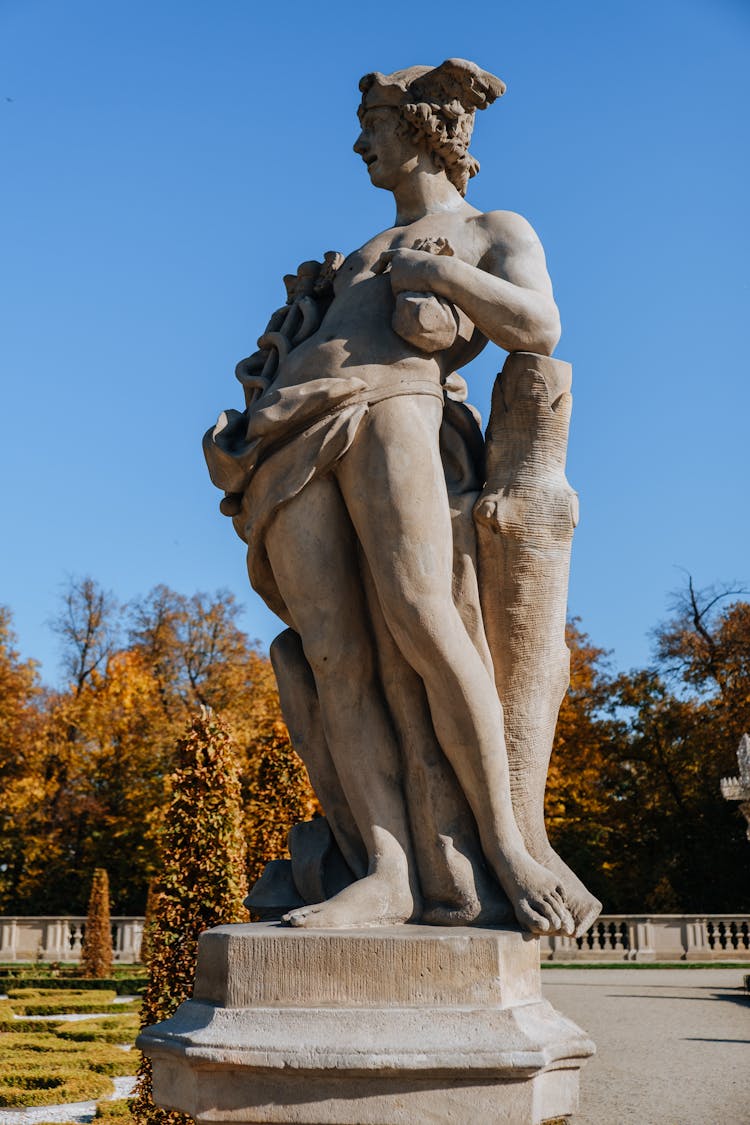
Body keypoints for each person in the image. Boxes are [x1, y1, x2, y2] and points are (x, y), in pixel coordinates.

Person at [206, 59, 581, 935]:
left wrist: (446, 276)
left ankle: (507, 847)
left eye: (372, 122)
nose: (358, 140)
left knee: (423, 617)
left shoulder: (492, 226)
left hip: (395, 410)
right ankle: (385, 870)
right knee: (331, 652)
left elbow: (539, 326)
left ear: (421, 129)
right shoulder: (360, 255)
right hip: (293, 434)